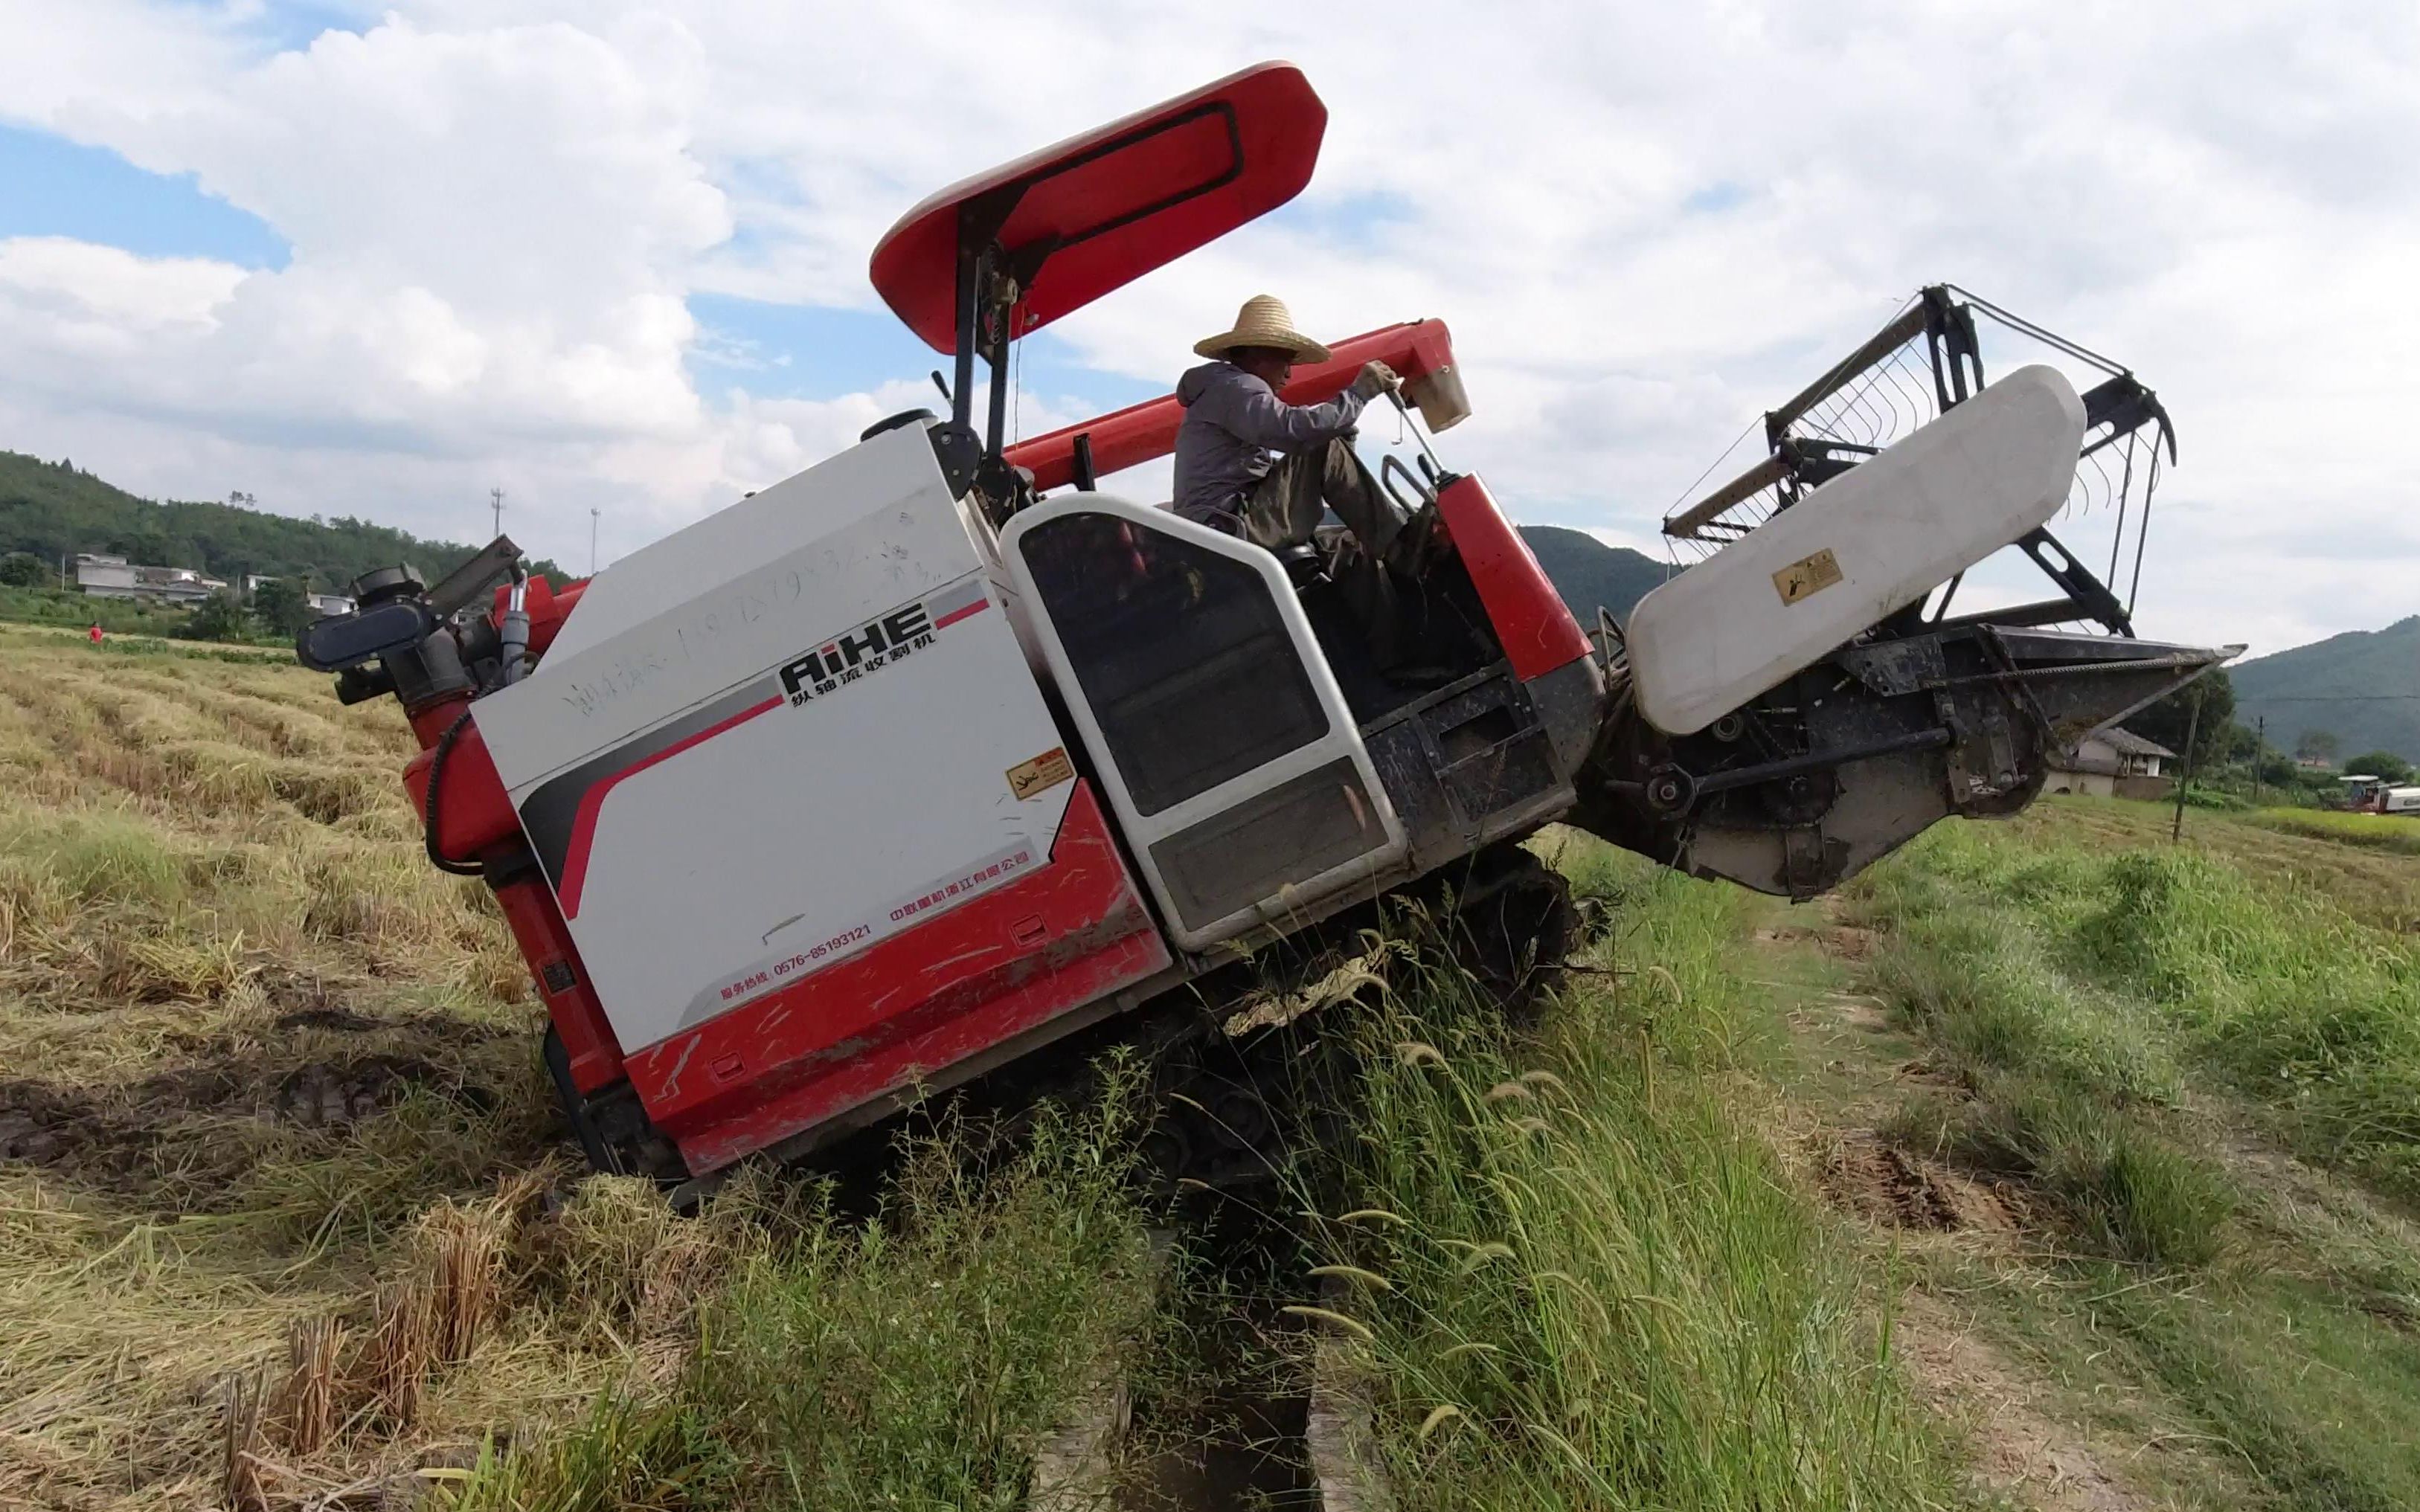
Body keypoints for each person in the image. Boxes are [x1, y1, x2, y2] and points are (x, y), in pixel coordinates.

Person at [1173, 294, 1406, 558]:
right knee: (1323, 445)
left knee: (1344, 549)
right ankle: (1405, 549)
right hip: (1230, 530)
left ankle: (1395, 576)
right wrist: (1358, 394)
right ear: (1260, 354)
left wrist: (1341, 430)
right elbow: (1297, 432)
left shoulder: (1221, 391)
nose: (1289, 373)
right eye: (1285, 360)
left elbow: (1266, 469)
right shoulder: (1238, 387)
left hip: (1220, 529)